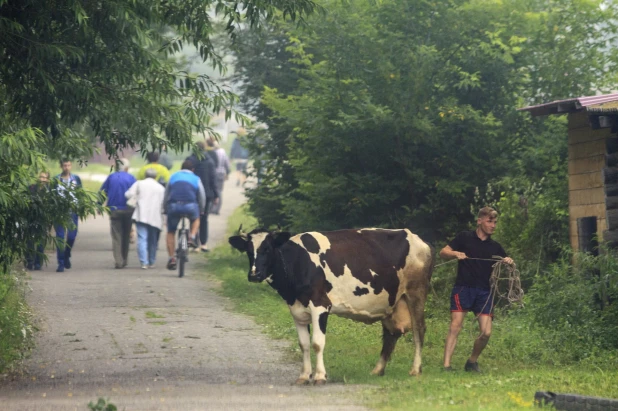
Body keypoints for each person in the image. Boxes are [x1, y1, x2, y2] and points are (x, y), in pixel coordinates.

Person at [440, 207, 515, 373]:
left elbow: (505, 260)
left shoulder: (495, 246)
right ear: (479, 221)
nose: (493, 225)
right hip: (463, 288)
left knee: (486, 333)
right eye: (489, 221)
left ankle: (472, 362)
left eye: (495, 222)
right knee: (455, 326)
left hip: (484, 292)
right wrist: (455, 254)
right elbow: (443, 252)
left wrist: (508, 261)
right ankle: (446, 366)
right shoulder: (464, 237)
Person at [163, 159, 206, 270]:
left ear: (181, 168)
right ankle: (191, 237)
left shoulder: (173, 176)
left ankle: (172, 258)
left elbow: (166, 194)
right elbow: (201, 196)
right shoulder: (196, 178)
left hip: (174, 206)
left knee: (171, 231)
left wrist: (165, 209)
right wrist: (201, 209)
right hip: (190, 206)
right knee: (196, 219)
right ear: (193, 169)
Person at [99, 158, 136, 269]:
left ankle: (118, 261)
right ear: (127, 168)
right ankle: (124, 259)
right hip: (128, 210)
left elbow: (103, 192)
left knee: (116, 236)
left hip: (114, 210)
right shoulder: (131, 178)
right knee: (126, 235)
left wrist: (98, 204)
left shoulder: (111, 177)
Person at [125, 168, 165, 269]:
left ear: (145, 175)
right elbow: (163, 203)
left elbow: (127, 194)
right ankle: (152, 261)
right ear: (155, 176)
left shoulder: (139, 183)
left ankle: (144, 262)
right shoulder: (160, 188)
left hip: (141, 214)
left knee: (142, 238)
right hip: (155, 217)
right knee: (153, 240)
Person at [187, 141, 219, 252]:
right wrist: (216, 194)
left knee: (193, 218)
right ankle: (203, 244)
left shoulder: (190, 161)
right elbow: (213, 179)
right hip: (207, 194)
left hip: (191, 193)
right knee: (204, 219)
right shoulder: (209, 161)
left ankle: (193, 241)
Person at [54, 159, 82, 272]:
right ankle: (60, 263)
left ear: (71, 166)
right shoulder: (56, 179)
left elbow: (80, 193)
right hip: (59, 211)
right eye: (64, 165)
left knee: (71, 236)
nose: (66, 167)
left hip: (72, 210)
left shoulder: (76, 179)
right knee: (60, 237)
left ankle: (66, 254)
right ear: (61, 166)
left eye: (68, 165)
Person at [25, 171, 50, 271]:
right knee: (30, 241)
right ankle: (30, 262)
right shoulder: (31, 188)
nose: (42, 179)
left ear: (47, 179)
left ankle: (38, 263)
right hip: (31, 218)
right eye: (41, 177)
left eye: (44, 178)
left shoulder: (49, 191)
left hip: (42, 220)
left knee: (40, 243)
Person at [207, 138, 230, 215]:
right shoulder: (222, 152)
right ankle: (217, 209)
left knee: (212, 189)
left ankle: (211, 208)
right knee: (219, 191)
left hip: (213, 173)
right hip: (221, 173)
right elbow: (226, 163)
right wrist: (227, 172)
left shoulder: (211, 153)